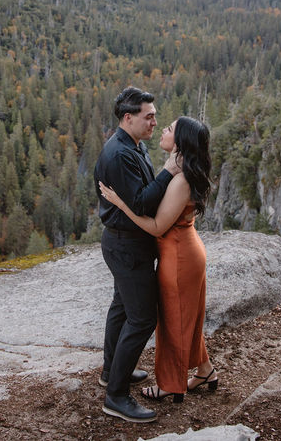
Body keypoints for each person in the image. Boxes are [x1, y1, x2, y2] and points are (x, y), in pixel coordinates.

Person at [99, 115, 218, 405]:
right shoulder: (184, 173)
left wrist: (120, 203)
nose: (162, 129)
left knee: (172, 321)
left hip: (178, 257)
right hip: (184, 251)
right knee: (187, 317)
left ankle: (170, 385)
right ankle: (204, 371)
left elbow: (156, 227)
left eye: (170, 129)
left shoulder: (180, 181)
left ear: (180, 143)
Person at [94, 87, 181, 424]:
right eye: (149, 116)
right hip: (126, 245)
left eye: (155, 115)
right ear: (128, 118)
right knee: (143, 318)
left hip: (127, 243)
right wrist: (169, 172)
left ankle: (111, 369)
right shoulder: (119, 155)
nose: (154, 122)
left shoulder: (134, 145)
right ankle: (115, 396)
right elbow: (142, 202)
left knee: (121, 306)